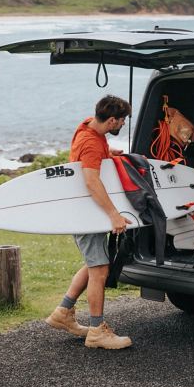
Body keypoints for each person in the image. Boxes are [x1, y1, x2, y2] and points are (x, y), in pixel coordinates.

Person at [45, 95, 134, 349]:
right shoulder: (92, 142)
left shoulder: (88, 125)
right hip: (87, 212)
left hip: (86, 211)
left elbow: (90, 155)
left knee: (95, 263)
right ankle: (97, 331)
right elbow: (92, 181)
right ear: (112, 120)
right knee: (100, 271)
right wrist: (114, 215)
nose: (123, 126)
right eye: (122, 122)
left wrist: (109, 153)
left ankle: (63, 313)